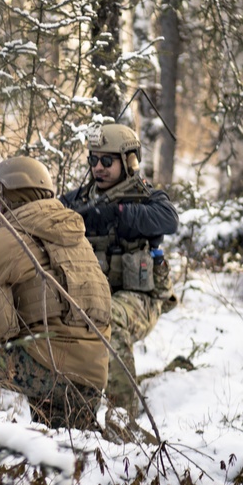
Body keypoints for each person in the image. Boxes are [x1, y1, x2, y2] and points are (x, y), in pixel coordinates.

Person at [0, 156, 112, 430]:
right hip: (92, 376)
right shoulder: (76, 238)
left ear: (13, 192)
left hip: (48, 369)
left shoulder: (12, 238)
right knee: (68, 445)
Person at [60, 123, 179, 421]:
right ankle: (69, 421)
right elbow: (46, 212)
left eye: (107, 161)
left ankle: (123, 421)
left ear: (128, 162)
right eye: (93, 160)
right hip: (94, 296)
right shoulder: (79, 199)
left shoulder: (147, 197)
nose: (98, 168)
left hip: (143, 298)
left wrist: (119, 213)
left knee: (108, 319)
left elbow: (169, 219)